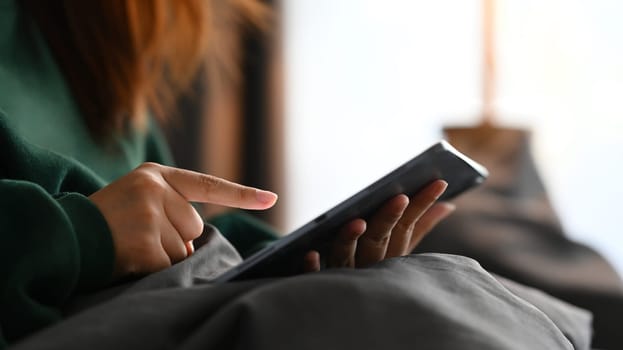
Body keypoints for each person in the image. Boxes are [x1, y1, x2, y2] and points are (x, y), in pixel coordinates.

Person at [0, 0, 457, 347]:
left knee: (442, 280)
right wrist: (82, 234)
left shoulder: (93, 38)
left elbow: (174, 231)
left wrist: (296, 262)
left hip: (175, 306)